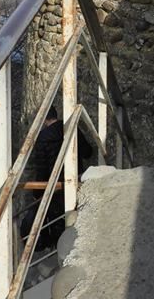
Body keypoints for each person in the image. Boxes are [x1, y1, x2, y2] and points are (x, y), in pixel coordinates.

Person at [20, 105, 94, 250]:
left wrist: (37, 193)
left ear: (44, 119)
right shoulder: (72, 129)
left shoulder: (42, 137)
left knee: (56, 220)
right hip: (75, 181)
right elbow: (88, 152)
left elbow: (41, 167)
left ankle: (58, 254)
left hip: (53, 185)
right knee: (74, 216)